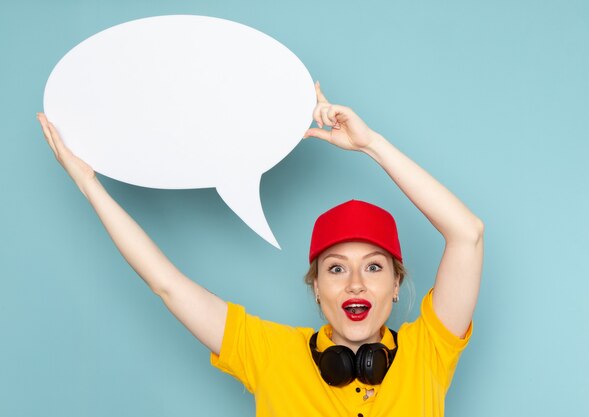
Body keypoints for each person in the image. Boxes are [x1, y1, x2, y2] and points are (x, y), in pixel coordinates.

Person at [37, 82, 484, 416]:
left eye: (372, 267)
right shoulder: (270, 354)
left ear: (395, 284)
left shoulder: (430, 350)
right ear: (315, 288)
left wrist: (371, 145)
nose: (354, 284)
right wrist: (88, 184)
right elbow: (166, 284)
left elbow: (468, 234)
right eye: (335, 269)